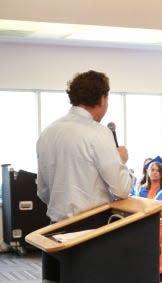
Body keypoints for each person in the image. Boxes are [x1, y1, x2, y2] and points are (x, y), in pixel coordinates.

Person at [36, 70, 134, 222]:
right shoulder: (99, 133)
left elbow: (43, 192)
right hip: (89, 228)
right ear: (102, 98)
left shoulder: (47, 132)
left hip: (55, 227)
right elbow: (122, 189)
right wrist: (120, 160)